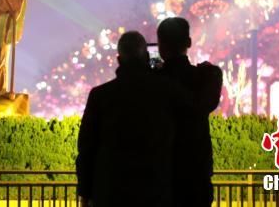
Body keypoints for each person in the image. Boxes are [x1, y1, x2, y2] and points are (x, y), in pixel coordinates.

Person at [76, 31, 188, 207]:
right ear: (147, 57)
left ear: (119, 60)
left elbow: (87, 149)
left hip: (110, 193)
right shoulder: (167, 91)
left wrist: (85, 191)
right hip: (155, 192)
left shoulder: (100, 96)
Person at [156, 17, 224, 207]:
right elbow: (205, 103)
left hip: (160, 177)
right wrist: (213, 73)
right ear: (188, 42)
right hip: (195, 176)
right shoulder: (203, 78)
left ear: (160, 46)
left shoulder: (152, 82)